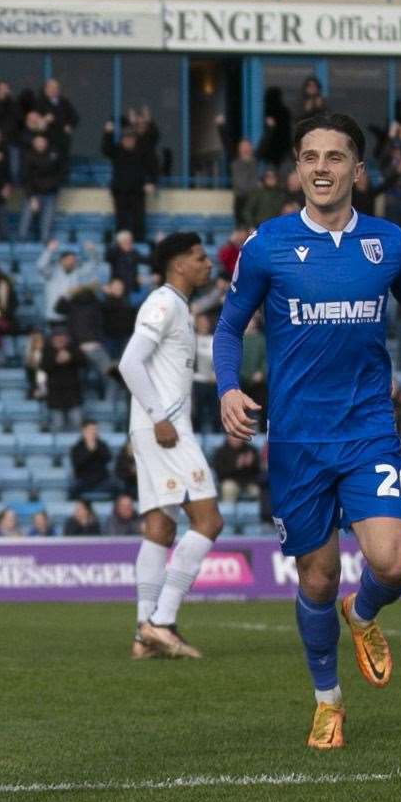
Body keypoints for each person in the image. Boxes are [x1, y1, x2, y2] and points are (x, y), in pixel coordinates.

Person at [213, 112, 401, 750]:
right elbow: (229, 327)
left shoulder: (389, 244)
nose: (320, 168)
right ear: (296, 169)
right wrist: (228, 387)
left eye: (335, 157)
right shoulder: (268, 245)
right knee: (316, 578)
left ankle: (362, 614)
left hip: (367, 430)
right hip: (298, 441)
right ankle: (327, 699)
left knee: (390, 565)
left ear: (357, 171)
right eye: (310, 157)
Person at [117, 232, 224, 661]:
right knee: (209, 519)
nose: (207, 263)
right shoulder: (163, 303)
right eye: (199, 258)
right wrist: (159, 416)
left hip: (157, 426)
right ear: (179, 264)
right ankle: (161, 621)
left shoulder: (179, 306)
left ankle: (145, 635)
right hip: (164, 427)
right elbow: (129, 361)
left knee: (160, 528)